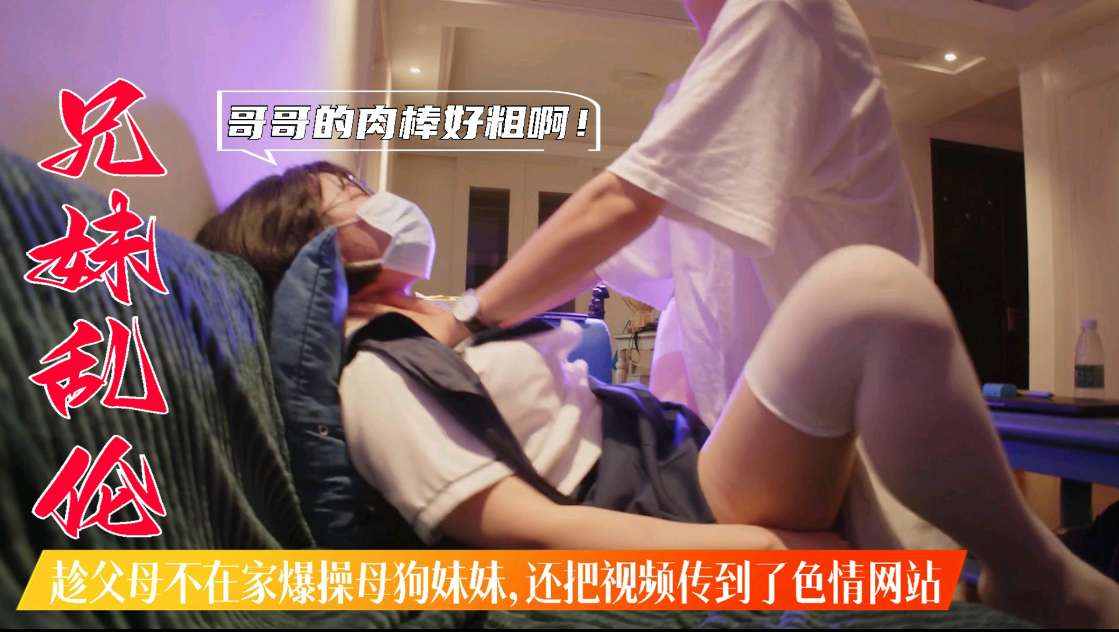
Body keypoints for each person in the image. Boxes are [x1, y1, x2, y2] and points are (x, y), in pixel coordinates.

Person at [198, 162, 1119, 627]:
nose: (380, 201)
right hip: (673, 505)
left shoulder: (446, 315)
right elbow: (526, 532)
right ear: (309, 246)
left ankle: (1000, 586)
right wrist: (758, 554)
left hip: (685, 455)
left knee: (878, 419)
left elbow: (584, 259)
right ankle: (1034, 575)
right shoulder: (372, 374)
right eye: (350, 195)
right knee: (864, 292)